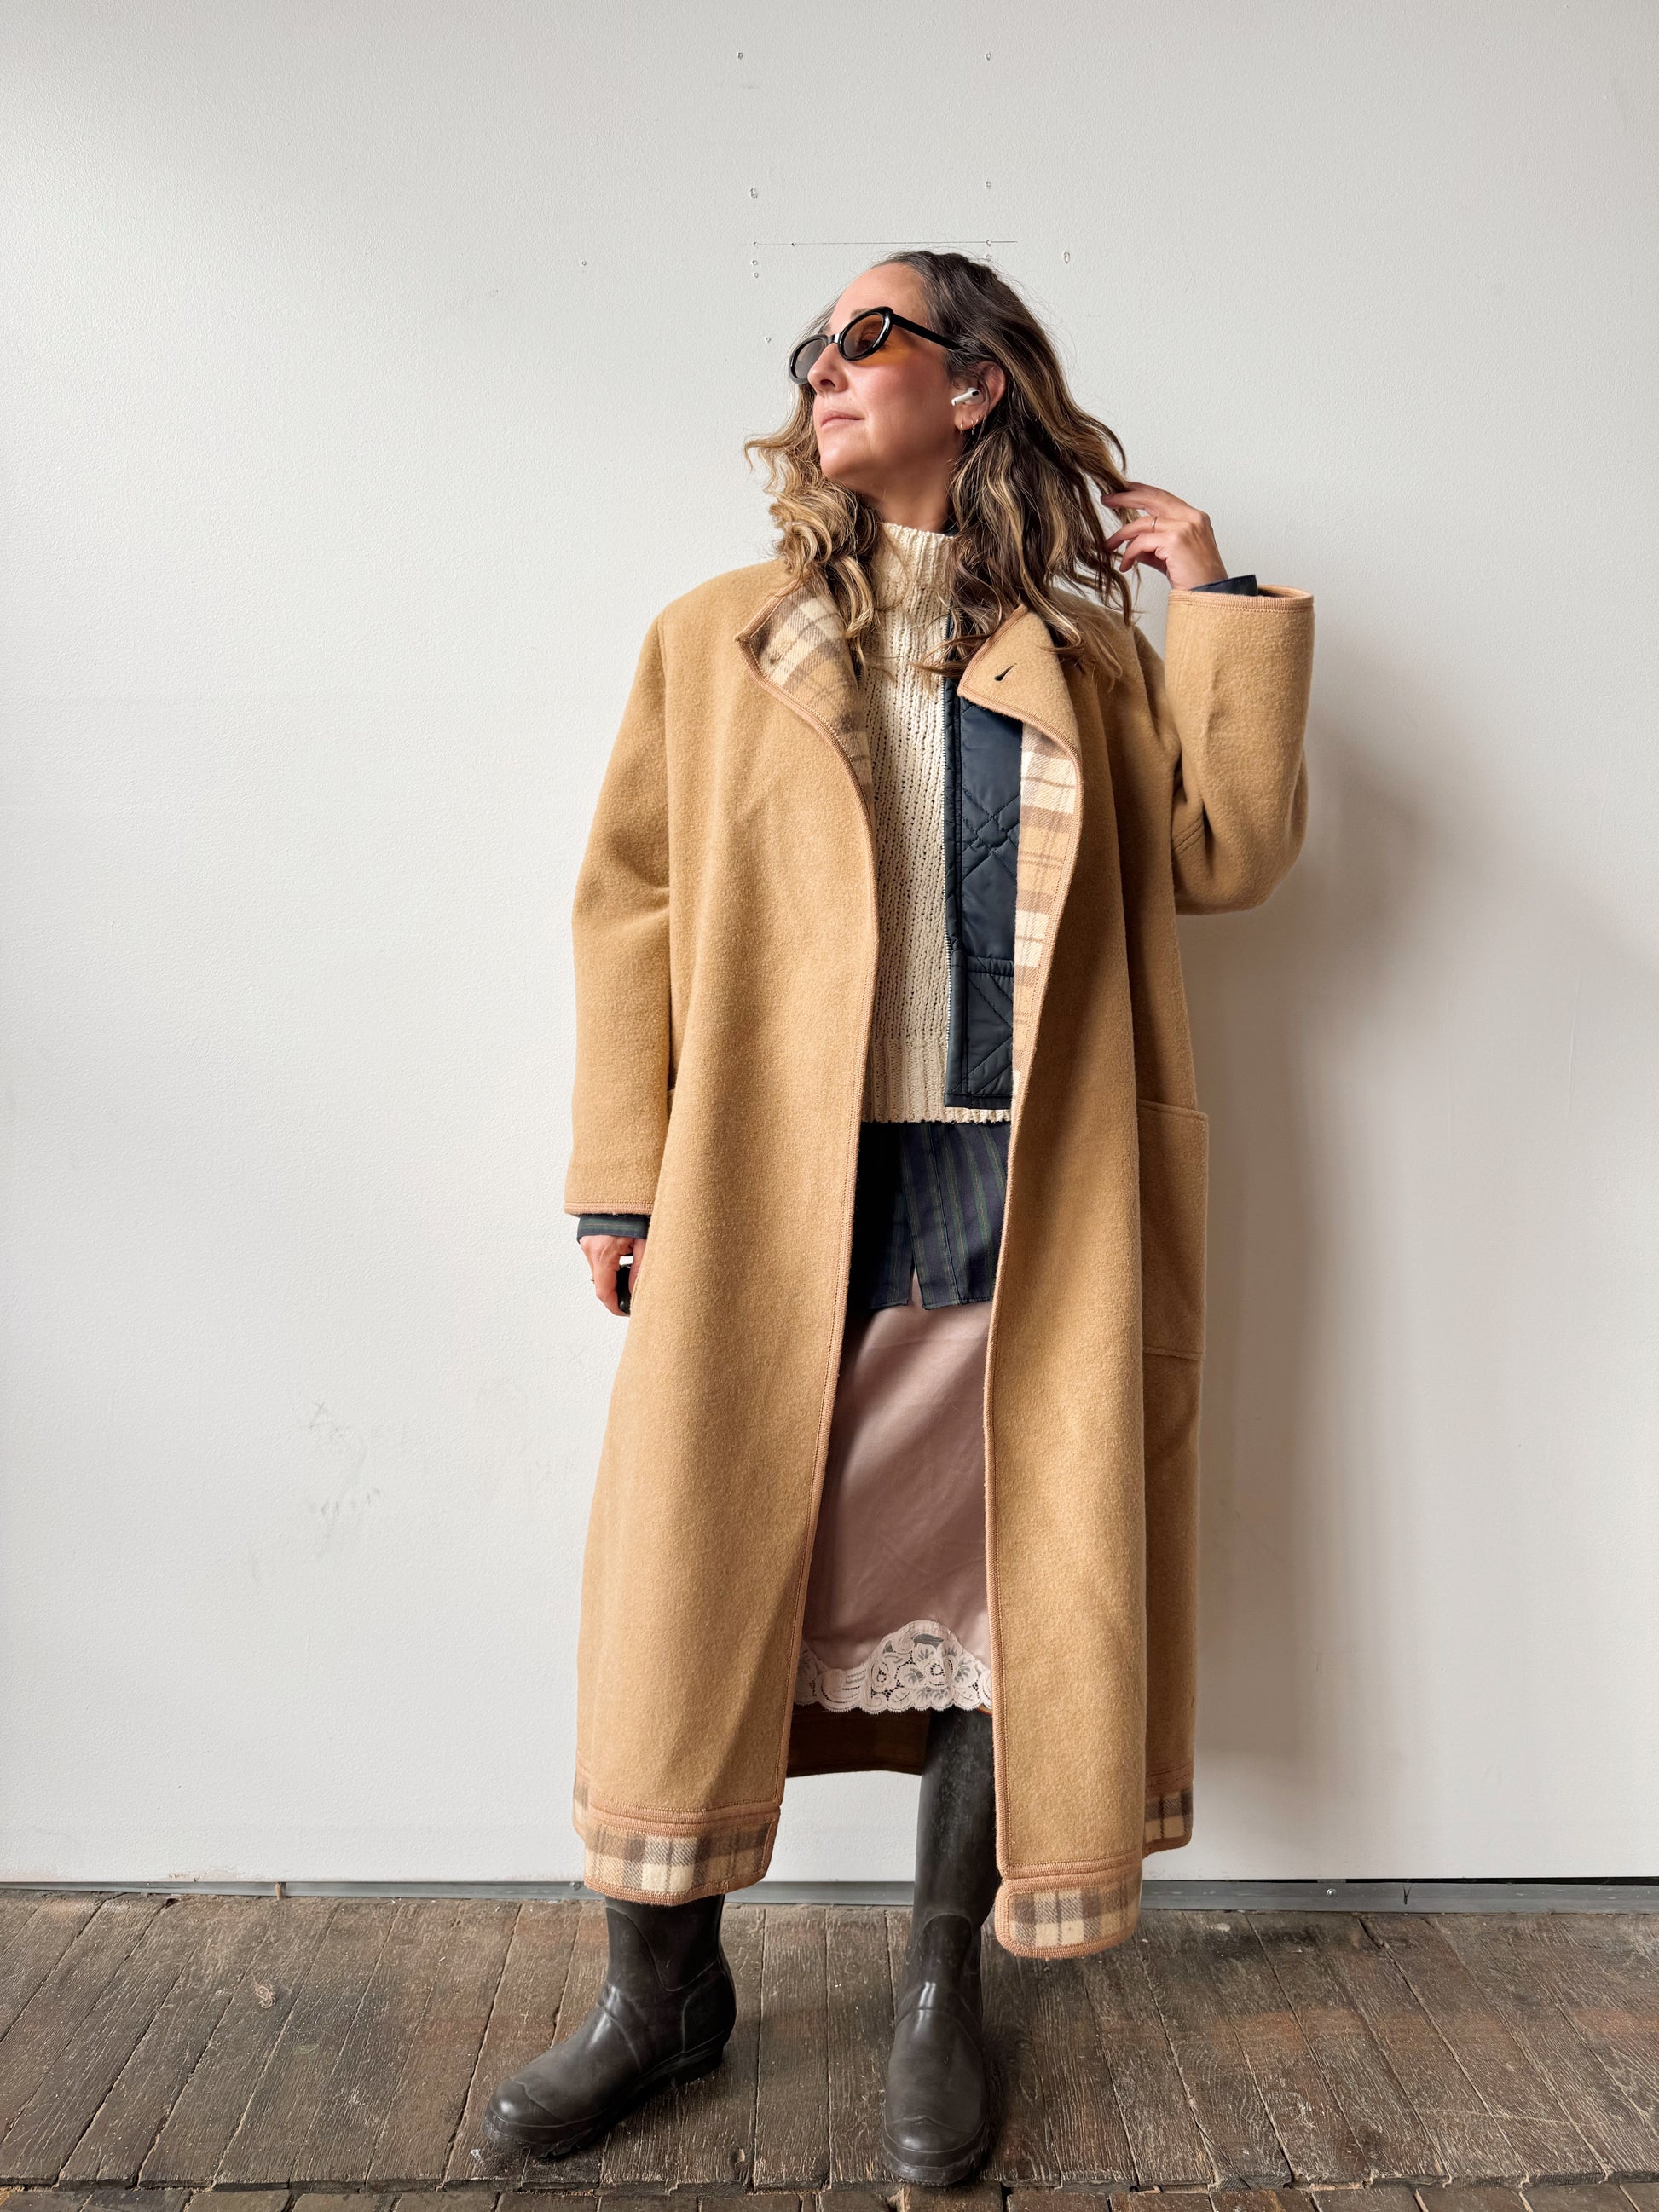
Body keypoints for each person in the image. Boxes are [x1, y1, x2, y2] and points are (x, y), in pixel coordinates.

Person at [483, 251, 1314, 2185]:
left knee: (1018, 1578)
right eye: (815, 347)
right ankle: (659, 1994)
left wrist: (1211, 604)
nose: (826, 372)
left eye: (867, 337)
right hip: (774, 1188)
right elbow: (628, 911)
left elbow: (1226, 856)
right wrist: (619, 1168)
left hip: (1030, 1180)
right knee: (701, 1570)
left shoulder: (1084, 653)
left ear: (977, 384)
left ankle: (943, 1984)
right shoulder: (718, 637)